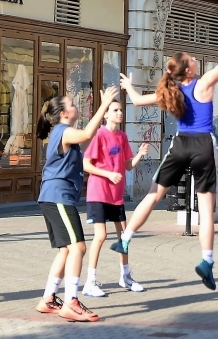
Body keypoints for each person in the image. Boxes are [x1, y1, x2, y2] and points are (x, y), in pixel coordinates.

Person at [111, 11, 218, 290]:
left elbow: (139, 101)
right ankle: (207, 261)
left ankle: (126, 237)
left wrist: (128, 86)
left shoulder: (171, 92)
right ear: (188, 70)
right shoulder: (203, 84)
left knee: (153, 196)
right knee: (206, 208)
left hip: (179, 145)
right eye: (190, 60)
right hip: (202, 145)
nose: (194, 60)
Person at [35, 86, 118, 323]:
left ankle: (48, 298)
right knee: (79, 247)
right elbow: (85, 135)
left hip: (53, 197)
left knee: (66, 249)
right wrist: (104, 105)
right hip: (58, 197)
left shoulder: (62, 132)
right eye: (71, 104)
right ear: (63, 113)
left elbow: (86, 143)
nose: (75, 107)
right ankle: (71, 301)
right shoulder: (64, 131)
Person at [82, 99, 149, 297]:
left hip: (116, 196)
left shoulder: (122, 137)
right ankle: (90, 281)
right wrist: (108, 174)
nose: (120, 113)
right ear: (106, 114)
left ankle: (125, 277)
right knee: (101, 236)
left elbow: (127, 166)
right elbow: (86, 164)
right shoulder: (100, 135)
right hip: (98, 193)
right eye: (115, 110)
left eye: (121, 110)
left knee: (124, 237)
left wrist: (140, 155)